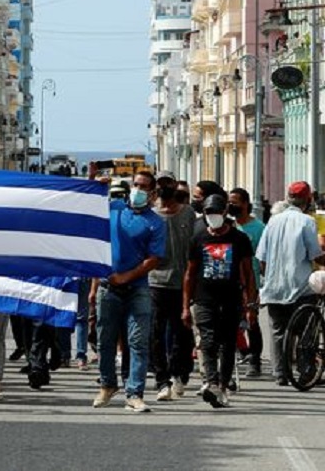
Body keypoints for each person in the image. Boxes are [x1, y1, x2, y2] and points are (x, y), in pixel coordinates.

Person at [91, 167, 166, 413]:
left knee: (137, 342)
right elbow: (85, 209)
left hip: (137, 289)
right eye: (136, 184)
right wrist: (95, 185)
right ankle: (107, 385)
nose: (138, 190)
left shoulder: (155, 223)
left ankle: (134, 393)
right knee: (105, 340)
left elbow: (154, 259)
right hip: (107, 287)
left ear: (153, 193)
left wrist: (126, 277)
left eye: (144, 186)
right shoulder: (113, 209)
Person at [183, 195, 257, 408]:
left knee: (227, 344)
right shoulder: (197, 239)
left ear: (225, 213)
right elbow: (190, 274)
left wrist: (250, 304)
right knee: (207, 341)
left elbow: (248, 273)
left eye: (216, 212)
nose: (212, 217)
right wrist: (185, 306)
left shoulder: (239, 239)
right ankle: (212, 382)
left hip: (231, 299)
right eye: (208, 213)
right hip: (204, 299)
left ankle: (223, 385)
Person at [255, 181, 325, 385]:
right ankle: (305, 370)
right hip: (300, 287)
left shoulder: (273, 221)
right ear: (308, 199)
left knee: (278, 331)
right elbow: (315, 255)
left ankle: (280, 374)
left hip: (274, 287)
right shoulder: (306, 222)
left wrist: (268, 279)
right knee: (305, 331)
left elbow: (262, 257)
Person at [149, 171, 195, 401]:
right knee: (156, 333)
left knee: (182, 333)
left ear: (175, 185)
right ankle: (161, 380)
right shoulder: (152, 215)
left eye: (168, 183)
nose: (164, 187)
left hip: (183, 282)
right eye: (160, 184)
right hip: (156, 281)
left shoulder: (188, 213)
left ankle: (180, 373)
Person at [228, 188, 265, 377]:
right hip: (232, 281)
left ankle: (255, 360)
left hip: (252, 281)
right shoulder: (230, 226)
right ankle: (239, 353)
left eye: (234, 202)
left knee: (252, 321)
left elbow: (264, 257)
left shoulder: (258, 228)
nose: (231, 205)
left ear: (245, 204)